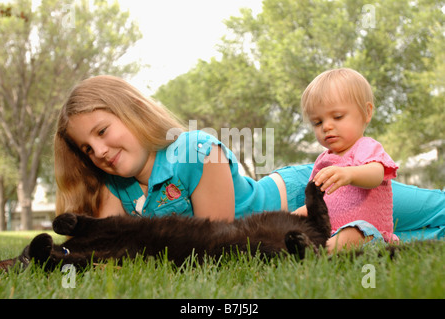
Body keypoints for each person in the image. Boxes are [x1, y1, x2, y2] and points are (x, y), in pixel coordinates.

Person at [55, 75, 445, 249]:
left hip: (307, 191)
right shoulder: (115, 187)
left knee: (433, 208)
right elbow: (100, 243)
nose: (100, 151)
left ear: (133, 112)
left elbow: (218, 241)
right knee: (383, 237)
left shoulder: (194, 150)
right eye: (87, 148)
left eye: (102, 131)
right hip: (299, 227)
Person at [292, 68, 399, 252]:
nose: (326, 126)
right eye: (317, 122)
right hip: (329, 232)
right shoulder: (323, 161)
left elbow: (376, 174)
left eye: (338, 117)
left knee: (353, 233)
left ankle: (319, 253)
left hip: (368, 233)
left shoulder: (365, 147)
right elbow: (318, 201)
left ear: (366, 112)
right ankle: (303, 248)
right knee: (296, 226)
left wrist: (350, 174)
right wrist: (298, 214)